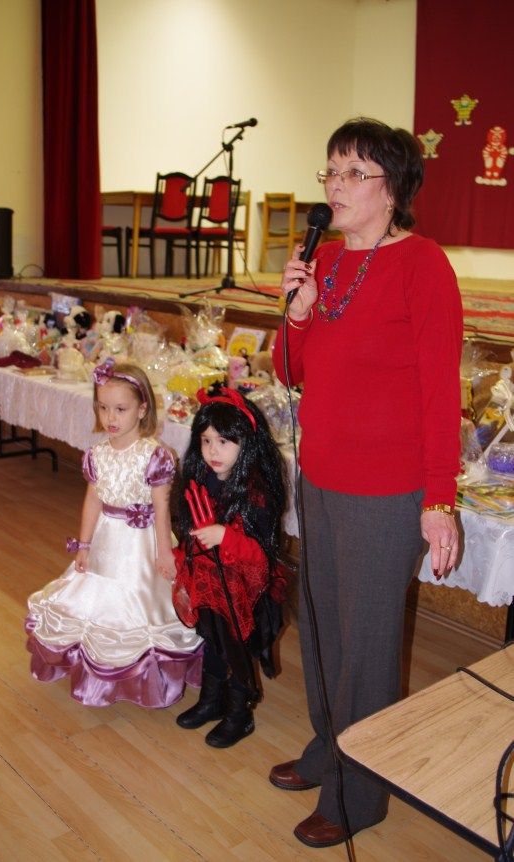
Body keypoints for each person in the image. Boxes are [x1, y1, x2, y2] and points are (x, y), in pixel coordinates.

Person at [269, 117, 463, 848]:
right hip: (320, 477)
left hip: (385, 493)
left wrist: (438, 499)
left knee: (367, 647)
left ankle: (360, 794)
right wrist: (297, 311)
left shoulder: (423, 266)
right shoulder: (321, 261)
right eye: (331, 170)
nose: (336, 185)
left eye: (354, 172)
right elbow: (290, 372)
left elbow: (439, 394)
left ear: (393, 188)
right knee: (321, 626)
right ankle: (328, 750)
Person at [26, 358, 203, 707]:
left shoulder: (155, 456)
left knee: (141, 607)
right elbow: (93, 500)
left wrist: (164, 552)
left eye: (121, 409)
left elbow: (162, 508)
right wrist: (84, 544)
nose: (111, 417)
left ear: (142, 409)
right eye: (103, 407)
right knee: (97, 604)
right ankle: (97, 676)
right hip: (106, 542)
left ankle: (146, 679)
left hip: (142, 545)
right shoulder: (97, 454)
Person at [172, 385, 287, 748]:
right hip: (209, 584)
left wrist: (225, 535)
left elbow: (261, 557)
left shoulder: (256, 493)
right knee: (211, 640)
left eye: (223, 442)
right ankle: (211, 700)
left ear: (245, 443)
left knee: (237, 650)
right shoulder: (201, 480)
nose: (213, 451)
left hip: (244, 594)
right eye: (206, 441)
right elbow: (189, 530)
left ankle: (240, 713)